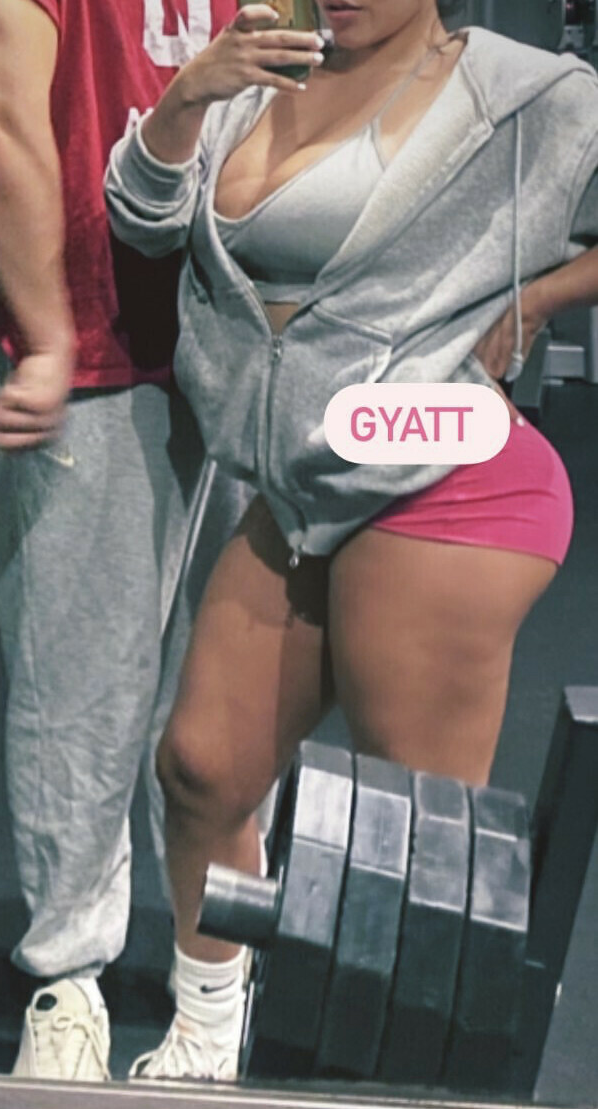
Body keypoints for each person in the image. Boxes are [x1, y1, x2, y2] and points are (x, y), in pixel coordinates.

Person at [105, 0, 598, 1081]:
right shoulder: (258, 78)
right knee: (201, 767)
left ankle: (416, 1082)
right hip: (304, 481)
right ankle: (208, 1035)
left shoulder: (524, 93)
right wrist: (187, 99)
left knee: (406, 850)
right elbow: (143, 222)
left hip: (441, 476)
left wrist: (545, 296)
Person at [0, 0, 246, 1082]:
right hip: (97, 338)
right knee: (81, 681)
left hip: (245, 331)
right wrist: (48, 335)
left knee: (231, 684)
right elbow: (3, 123)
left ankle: (217, 981)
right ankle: (67, 976)